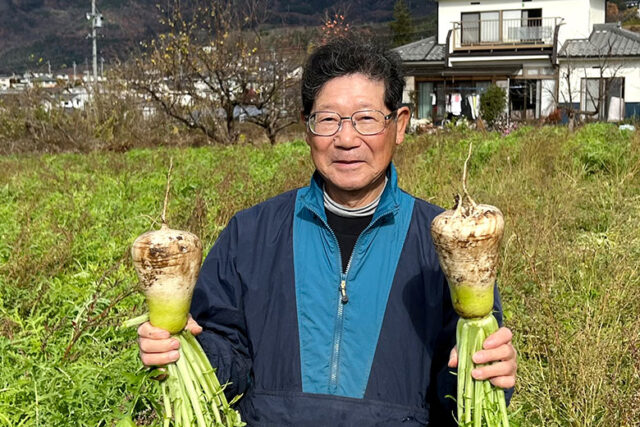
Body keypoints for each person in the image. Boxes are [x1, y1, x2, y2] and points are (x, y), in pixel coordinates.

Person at [137, 38, 517, 426]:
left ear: (399, 125)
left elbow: (458, 387)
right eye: (328, 119)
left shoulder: (446, 242)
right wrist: (181, 351)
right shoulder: (249, 234)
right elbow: (224, 361)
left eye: (366, 118)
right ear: (307, 128)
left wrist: (491, 375)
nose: (347, 139)